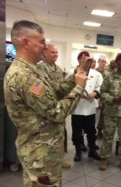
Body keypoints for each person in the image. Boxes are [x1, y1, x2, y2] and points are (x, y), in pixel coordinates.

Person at [4, 20, 88, 187]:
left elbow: (52, 94)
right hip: (40, 154)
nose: (45, 46)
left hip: (41, 151)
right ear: (25, 43)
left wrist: (75, 76)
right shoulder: (25, 77)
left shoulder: (30, 70)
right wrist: (79, 88)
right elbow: (56, 112)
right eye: (41, 42)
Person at [37, 43, 71, 169]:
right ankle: (47, 162)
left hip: (59, 108)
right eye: (53, 52)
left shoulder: (57, 68)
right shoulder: (41, 68)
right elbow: (50, 89)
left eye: (56, 52)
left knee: (60, 134)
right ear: (45, 53)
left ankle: (59, 159)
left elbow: (62, 86)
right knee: (48, 136)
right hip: (47, 109)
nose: (55, 55)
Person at [69, 51, 103, 162]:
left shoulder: (96, 74)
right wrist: (79, 94)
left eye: (88, 60)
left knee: (91, 132)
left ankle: (92, 151)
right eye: (82, 59)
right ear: (79, 60)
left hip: (90, 109)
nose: (85, 62)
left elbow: (100, 86)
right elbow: (67, 87)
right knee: (77, 133)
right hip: (77, 108)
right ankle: (78, 152)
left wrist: (95, 93)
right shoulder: (72, 72)